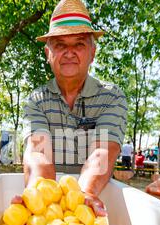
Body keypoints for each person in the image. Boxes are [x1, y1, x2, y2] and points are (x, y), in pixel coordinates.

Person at [22, 0, 127, 204]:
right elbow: (38, 154)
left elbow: (102, 153)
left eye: (79, 44)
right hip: (53, 199)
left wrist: (83, 197)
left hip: (95, 197)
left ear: (93, 53)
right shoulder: (36, 100)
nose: (69, 52)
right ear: (48, 54)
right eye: (60, 45)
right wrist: (39, 199)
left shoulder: (112, 97)